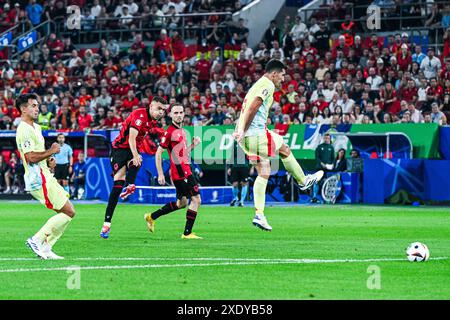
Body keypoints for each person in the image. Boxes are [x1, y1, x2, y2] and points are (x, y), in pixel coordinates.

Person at [232, 59, 324, 231]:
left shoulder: (256, 85)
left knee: (264, 171)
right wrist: (243, 130)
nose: (283, 80)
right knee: (284, 149)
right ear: (274, 74)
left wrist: (240, 131)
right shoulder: (267, 84)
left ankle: (259, 215)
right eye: (282, 76)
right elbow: (253, 107)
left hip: (246, 139)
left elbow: (247, 109)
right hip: (255, 134)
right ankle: (303, 180)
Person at [15, 93, 76, 260]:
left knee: (66, 212)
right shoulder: (24, 129)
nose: (37, 109)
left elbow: (38, 154)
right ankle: (37, 239)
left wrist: (49, 160)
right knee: (69, 211)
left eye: (37, 105)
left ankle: (46, 248)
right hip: (38, 179)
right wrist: (51, 151)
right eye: (33, 106)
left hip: (45, 174)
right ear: (23, 109)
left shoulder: (37, 127)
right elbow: (30, 157)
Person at [100, 96, 167, 239]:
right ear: (151, 106)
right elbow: (131, 138)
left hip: (131, 149)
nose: (161, 112)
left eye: (163, 110)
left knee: (138, 161)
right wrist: (136, 154)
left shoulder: (152, 120)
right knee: (118, 183)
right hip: (118, 149)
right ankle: (107, 223)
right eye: (158, 108)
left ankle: (130, 185)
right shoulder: (139, 115)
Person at [144, 104, 203, 239]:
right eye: (175, 113)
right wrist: (160, 173)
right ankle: (187, 233)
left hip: (185, 169)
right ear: (170, 115)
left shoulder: (181, 131)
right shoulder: (169, 132)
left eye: (181, 112)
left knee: (181, 203)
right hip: (181, 172)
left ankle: (151, 217)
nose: (179, 115)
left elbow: (182, 155)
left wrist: (193, 145)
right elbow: (159, 153)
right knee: (196, 199)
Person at [228, 139, 251, 207]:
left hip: (245, 166)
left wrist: (252, 166)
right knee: (235, 184)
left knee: (244, 183)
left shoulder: (248, 143)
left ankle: (241, 201)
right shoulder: (235, 143)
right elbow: (232, 155)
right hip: (235, 166)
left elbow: (251, 155)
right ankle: (236, 198)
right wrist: (230, 167)